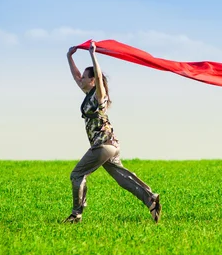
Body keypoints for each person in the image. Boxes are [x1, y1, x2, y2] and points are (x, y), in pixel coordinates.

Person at [63, 41, 161, 223]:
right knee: (122, 178)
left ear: (92, 81)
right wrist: (70, 56)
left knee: (77, 174)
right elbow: (77, 76)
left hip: (103, 145)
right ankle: (151, 199)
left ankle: (76, 214)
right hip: (110, 145)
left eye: (85, 77)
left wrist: (93, 55)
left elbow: (99, 78)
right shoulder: (88, 94)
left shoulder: (99, 95)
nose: (81, 79)